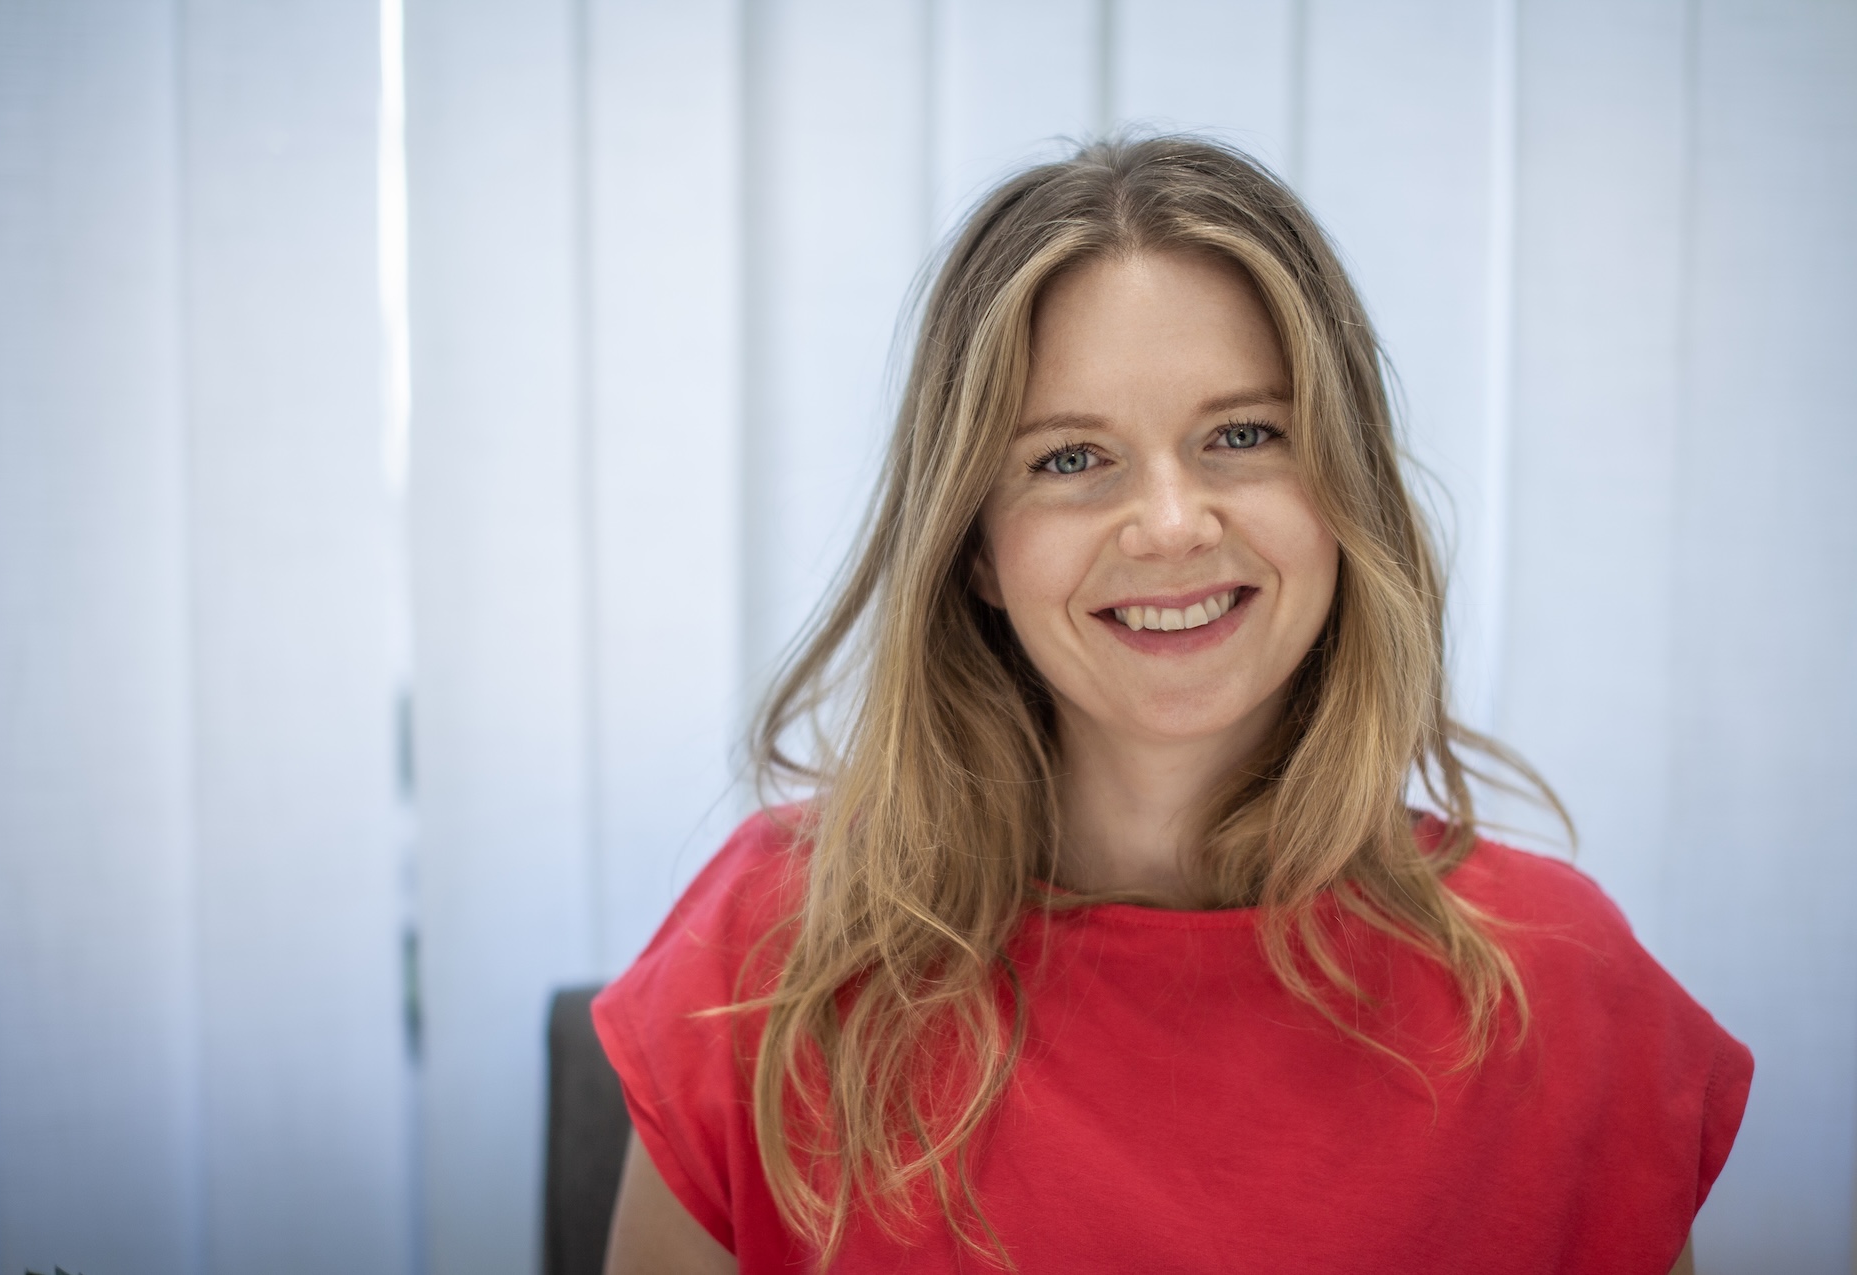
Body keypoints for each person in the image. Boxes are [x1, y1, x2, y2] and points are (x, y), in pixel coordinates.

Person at [592, 137, 1751, 1274]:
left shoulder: (1565, 988)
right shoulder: (772, 945)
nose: (1171, 524)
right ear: (976, 549)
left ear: (1345, 495)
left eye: (1242, 435)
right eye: (1069, 458)